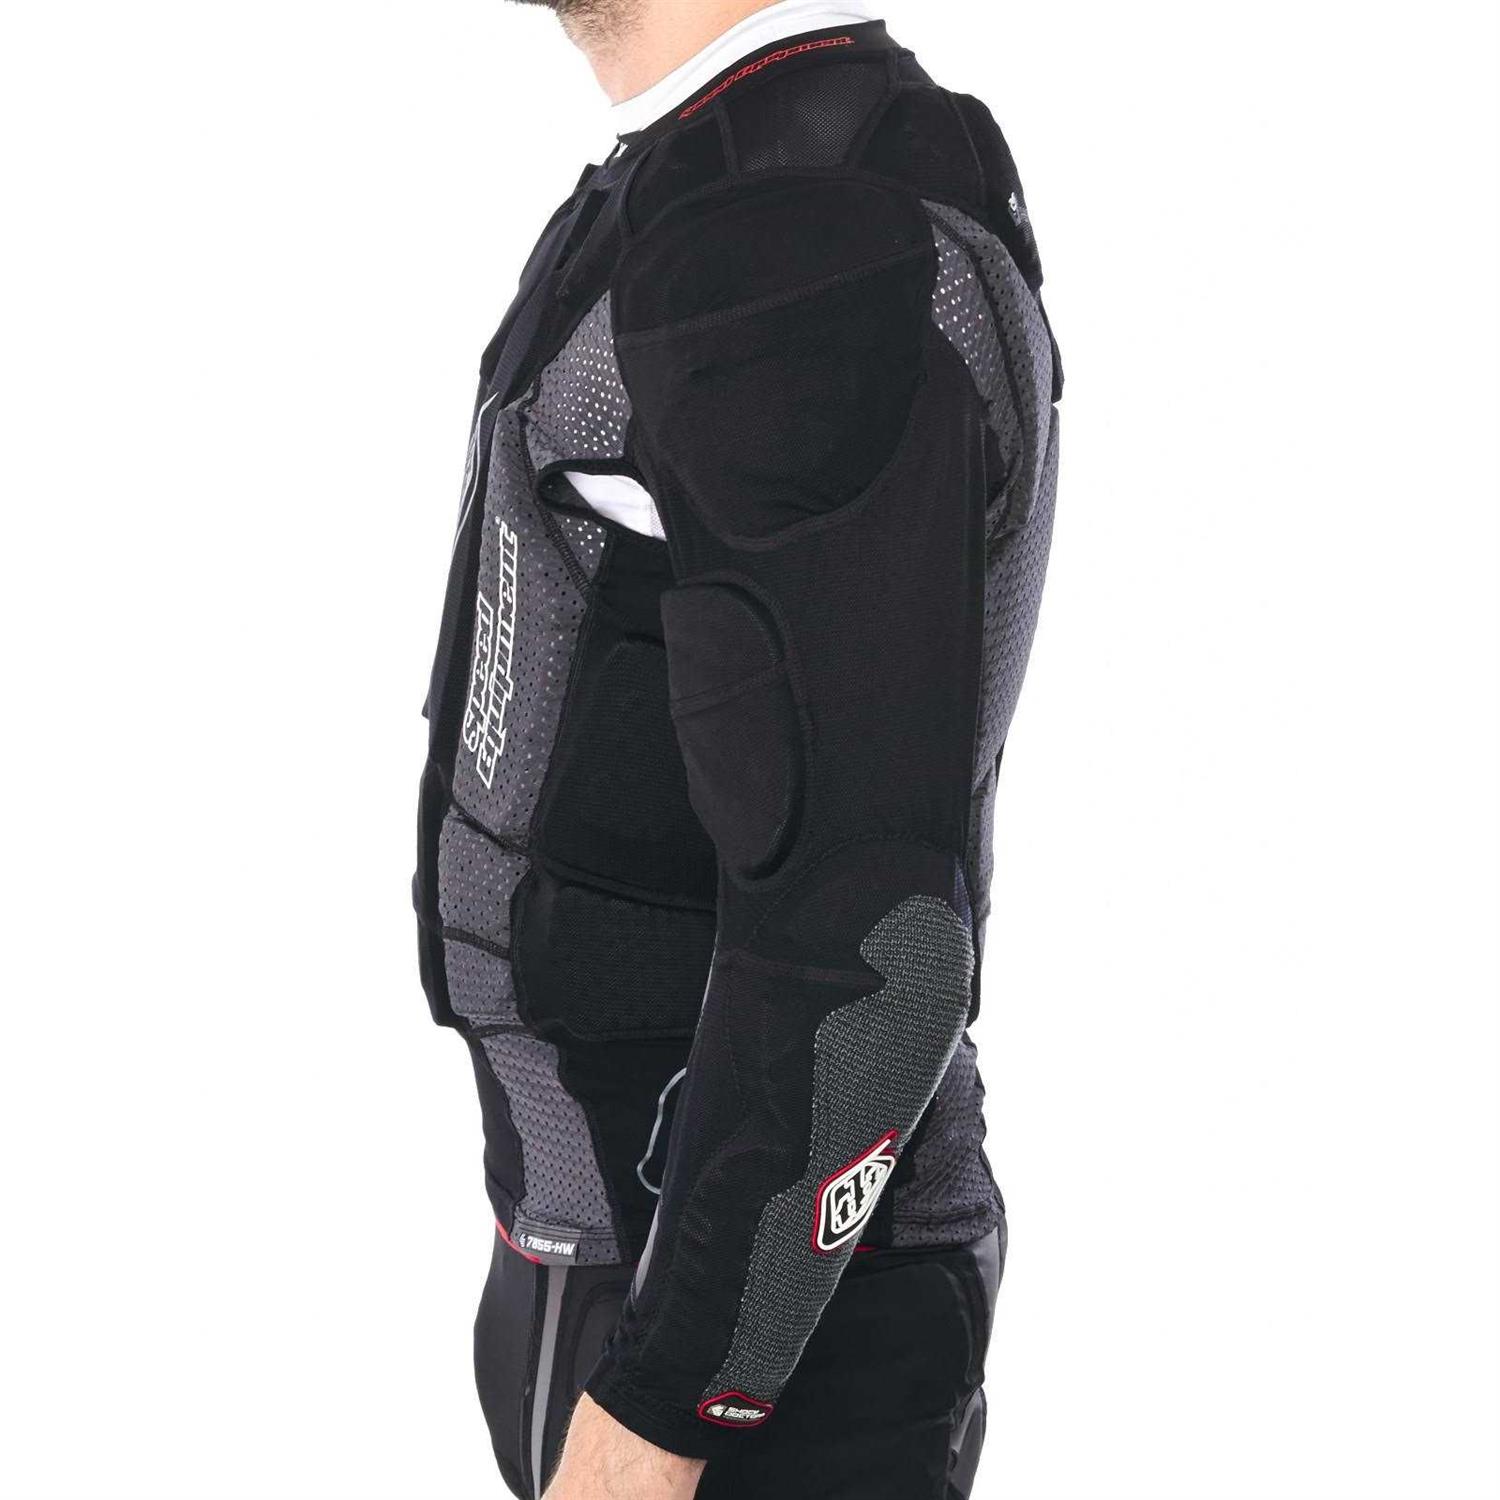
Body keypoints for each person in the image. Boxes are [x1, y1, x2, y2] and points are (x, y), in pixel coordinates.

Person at [412, 1, 1062, 1494]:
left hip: (743, 1337)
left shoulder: (797, 236)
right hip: (630, 1260)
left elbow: (872, 938)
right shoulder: (721, 170)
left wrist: (673, 1405)